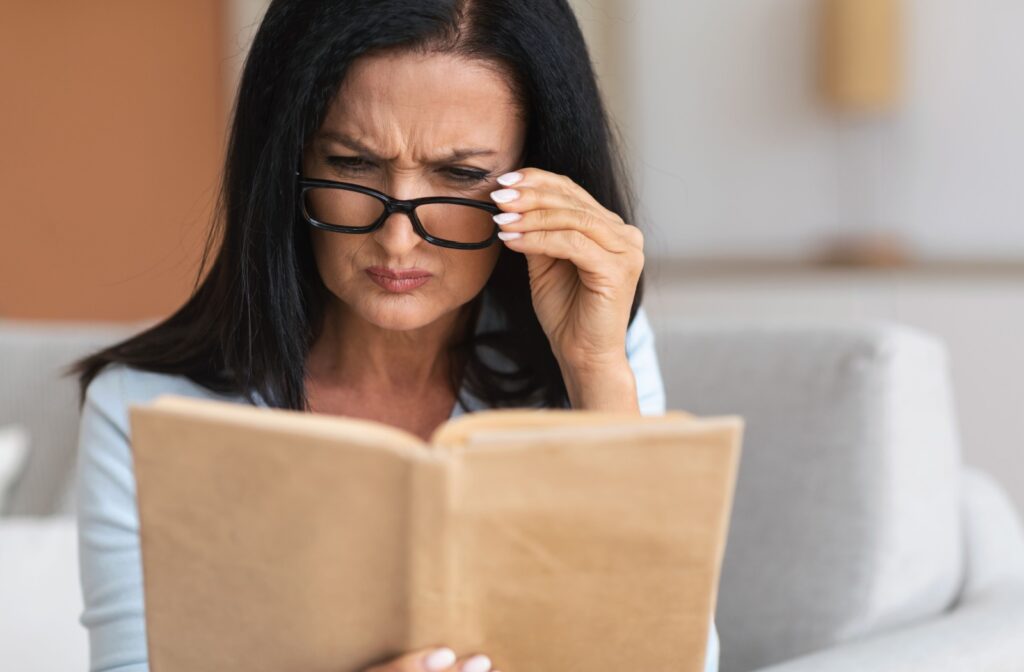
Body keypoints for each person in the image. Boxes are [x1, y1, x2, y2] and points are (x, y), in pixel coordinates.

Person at [68, 1, 721, 670]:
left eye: (461, 175)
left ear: (540, 174)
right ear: (288, 161)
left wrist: (598, 372)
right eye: (352, 164)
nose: (398, 238)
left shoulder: (595, 354)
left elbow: (674, 660)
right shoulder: (143, 409)